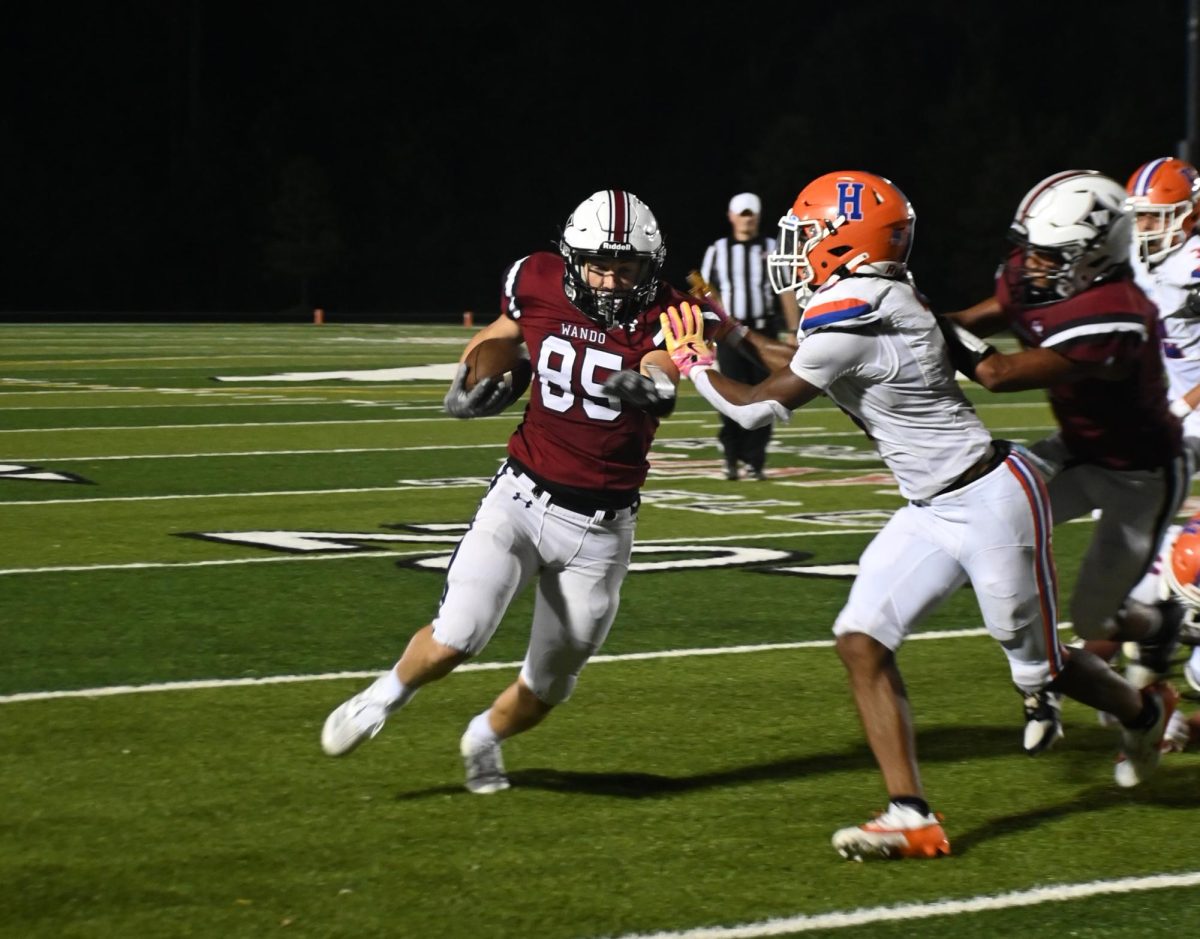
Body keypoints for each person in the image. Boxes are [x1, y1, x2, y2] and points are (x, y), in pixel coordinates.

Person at [660, 169, 1169, 863]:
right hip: (932, 505)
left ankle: (1144, 711)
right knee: (861, 640)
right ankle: (911, 813)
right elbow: (803, 362)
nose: (798, 246)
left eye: (809, 233)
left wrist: (691, 359)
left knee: (1043, 667)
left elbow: (757, 404)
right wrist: (726, 328)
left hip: (990, 500)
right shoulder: (872, 297)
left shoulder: (857, 307)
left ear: (846, 239)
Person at [321, 189, 702, 794]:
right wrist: (471, 371)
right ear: (571, 260)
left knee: (551, 685)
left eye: (625, 268)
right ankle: (385, 693)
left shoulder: (671, 310)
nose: (608, 282)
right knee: (458, 635)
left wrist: (654, 386)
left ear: (648, 267)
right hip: (520, 498)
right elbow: (502, 333)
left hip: (602, 529)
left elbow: (663, 365)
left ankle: (483, 736)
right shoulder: (537, 277)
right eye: (598, 266)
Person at [943, 169, 1191, 755]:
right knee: (992, 516)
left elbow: (998, 375)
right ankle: (1042, 675)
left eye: (1050, 254)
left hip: (1142, 476)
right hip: (1079, 452)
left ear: (1097, 254)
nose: (1031, 264)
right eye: (1030, 249)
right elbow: (974, 322)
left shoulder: (1115, 312)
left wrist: (918, 326)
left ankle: (1155, 626)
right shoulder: (1034, 275)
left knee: (1093, 617)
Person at [1125, 156, 1200, 695]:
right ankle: (1157, 611)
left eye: (1156, 217)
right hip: (1177, 401)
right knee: (1133, 502)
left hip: (1193, 405)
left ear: (1189, 216)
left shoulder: (1195, 263)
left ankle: (1164, 610)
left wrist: (1182, 407)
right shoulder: (1139, 255)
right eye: (1142, 217)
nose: (1145, 228)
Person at [699, 192, 800, 481]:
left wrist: (792, 331)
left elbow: (786, 291)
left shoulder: (771, 248)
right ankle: (732, 456)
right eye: (742, 213)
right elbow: (707, 292)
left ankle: (755, 461)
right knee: (731, 394)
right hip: (731, 334)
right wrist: (712, 327)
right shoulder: (718, 250)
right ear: (731, 216)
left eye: (751, 213)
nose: (747, 218)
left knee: (767, 396)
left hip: (764, 331)